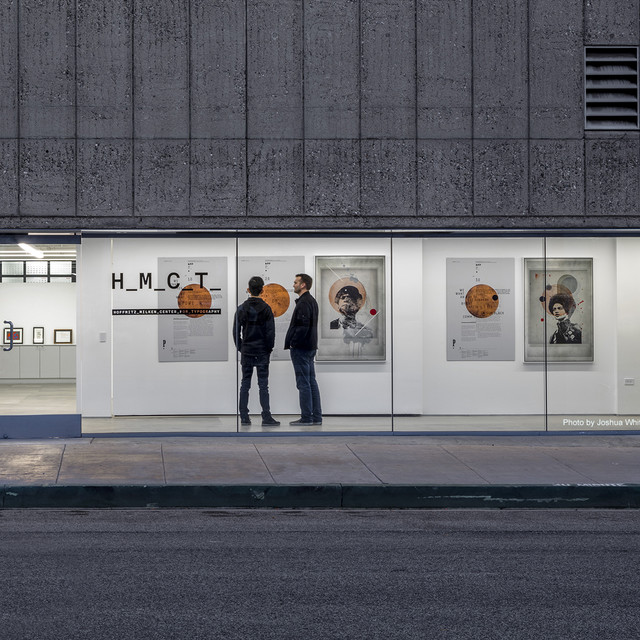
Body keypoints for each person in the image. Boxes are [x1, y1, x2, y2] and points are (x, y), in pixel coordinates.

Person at [233, 276, 280, 426]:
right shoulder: (266, 309)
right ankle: (266, 416)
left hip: (247, 351)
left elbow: (235, 332)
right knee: (263, 385)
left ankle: (244, 417)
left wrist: (241, 347)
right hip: (261, 352)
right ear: (262, 290)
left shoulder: (241, 308)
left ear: (248, 290)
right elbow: (270, 333)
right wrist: (268, 349)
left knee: (245, 384)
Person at [284, 273, 322, 426]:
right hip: (310, 347)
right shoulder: (311, 301)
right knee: (311, 381)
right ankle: (316, 417)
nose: (293, 285)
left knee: (303, 383)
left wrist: (294, 343)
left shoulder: (304, 302)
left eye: (295, 282)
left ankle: (306, 417)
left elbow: (303, 327)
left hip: (302, 348)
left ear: (303, 285)